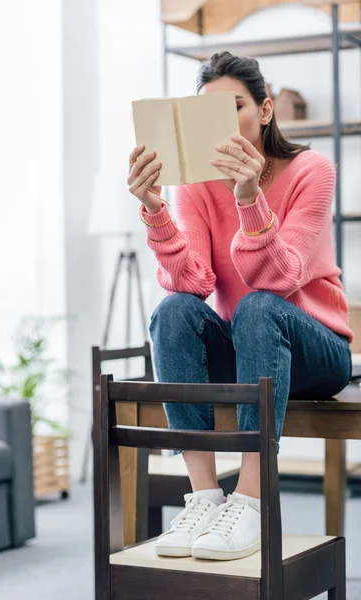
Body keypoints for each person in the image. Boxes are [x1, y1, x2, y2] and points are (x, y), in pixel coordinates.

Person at [127, 52, 353, 562]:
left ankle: (250, 498)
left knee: (258, 305)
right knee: (172, 310)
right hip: (250, 347)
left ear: (266, 110)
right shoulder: (198, 186)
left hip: (316, 347)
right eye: (210, 115)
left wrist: (249, 196)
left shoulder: (310, 171)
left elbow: (280, 277)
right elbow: (194, 282)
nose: (225, 126)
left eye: (236, 109)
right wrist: (157, 211)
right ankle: (205, 496)